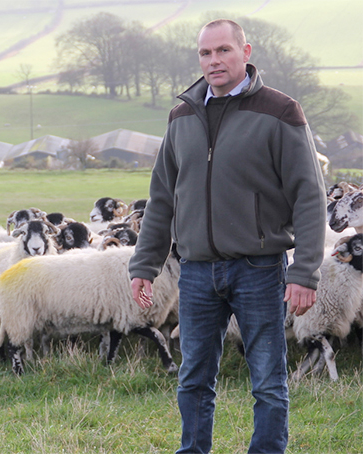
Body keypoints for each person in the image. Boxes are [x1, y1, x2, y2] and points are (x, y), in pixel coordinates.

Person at [128, 19, 326, 454]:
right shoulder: (181, 115)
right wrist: (144, 265)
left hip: (259, 267)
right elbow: (162, 198)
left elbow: (309, 195)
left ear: (245, 51)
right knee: (193, 378)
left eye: (223, 51)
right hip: (196, 271)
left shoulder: (280, 111)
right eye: (205, 53)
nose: (213, 61)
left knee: (268, 380)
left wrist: (306, 271)